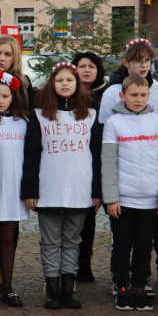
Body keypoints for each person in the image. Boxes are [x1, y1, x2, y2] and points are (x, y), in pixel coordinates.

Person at [22, 62, 102, 310]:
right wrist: (30, 191)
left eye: (70, 79)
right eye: (60, 80)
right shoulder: (40, 115)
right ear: (52, 84)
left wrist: (98, 191)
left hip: (80, 187)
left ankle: (69, 288)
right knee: (49, 241)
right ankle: (52, 289)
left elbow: (97, 155)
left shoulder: (90, 115)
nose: (65, 84)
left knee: (72, 241)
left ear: (77, 84)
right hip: (49, 188)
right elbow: (32, 156)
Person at [100, 75, 158, 311]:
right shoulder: (114, 123)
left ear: (149, 96)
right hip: (122, 200)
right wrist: (111, 198)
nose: (138, 99)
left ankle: (140, 287)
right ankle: (121, 287)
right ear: (122, 96)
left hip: (151, 200)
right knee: (122, 245)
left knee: (144, 245)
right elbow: (108, 163)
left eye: (143, 95)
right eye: (133, 95)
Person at [0, 71, 30, 308]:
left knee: (9, 237)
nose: (0, 100)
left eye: (5, 96)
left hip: (13, 188)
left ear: (13, 97)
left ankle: (7, 287)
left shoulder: (23, 122)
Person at [69, 50, 108, 283]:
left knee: (88, 216)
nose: (86, 70)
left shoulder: (105, 96)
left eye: (91, 66)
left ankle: (84, 263)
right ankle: (66, 264)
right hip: (70, 158)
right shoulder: (64, 94)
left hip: (95, 159)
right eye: (82, 66)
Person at [99, 38, 158, 122]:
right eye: (138, 61)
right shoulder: (112, 93)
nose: (144, 65)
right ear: (126, 63)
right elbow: (104, 125)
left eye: (147, 60)